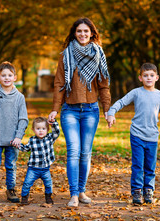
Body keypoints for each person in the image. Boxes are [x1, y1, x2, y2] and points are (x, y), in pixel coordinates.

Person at [47, 17, 111, 207]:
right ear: (74, 34)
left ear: (92, 33)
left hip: (91, 110)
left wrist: (107, 109)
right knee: (73, 151)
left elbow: (104, 85)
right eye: (79, 31)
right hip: (70, 111)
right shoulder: (65, 55)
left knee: (85, 153)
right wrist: (54, 109)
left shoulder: (98, 54)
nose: (82, 34)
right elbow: (59, 83)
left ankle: (82, 191)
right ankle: (73, 194)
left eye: (86, 31)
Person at [107, 63, 160, 205]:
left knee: (150, 166)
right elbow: (122, 102)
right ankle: (136, 192)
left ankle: (148, 190)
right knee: (138, 165)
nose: (149, 78)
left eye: (151, 75)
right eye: (145, 75)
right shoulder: (136, 92)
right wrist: (111, 112)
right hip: (137, 134)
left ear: (157, 78)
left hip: (153, 136)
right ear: (140, 78)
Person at [0, 61, 28, 203]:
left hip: (13, 140)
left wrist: (19, 137)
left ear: (14, 77)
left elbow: (23, 119)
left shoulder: (20, 97)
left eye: (9, 75)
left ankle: (11, 189)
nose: (6, 78)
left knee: (11, 165)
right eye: (3, 75)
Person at [18, 117, 60, 205]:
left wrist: (53, 123)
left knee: (48, 184)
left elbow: (56, 133)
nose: (41, 131)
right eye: (38, 129)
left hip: (45, 169)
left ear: (47, 129)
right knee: (27, 183)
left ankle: (48, 197)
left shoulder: (49, 138)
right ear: (33, 130)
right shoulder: (32, 140)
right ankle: (24, 198)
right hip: (33, 169)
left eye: (43, 129)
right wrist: (17, 145)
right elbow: (26, 148)